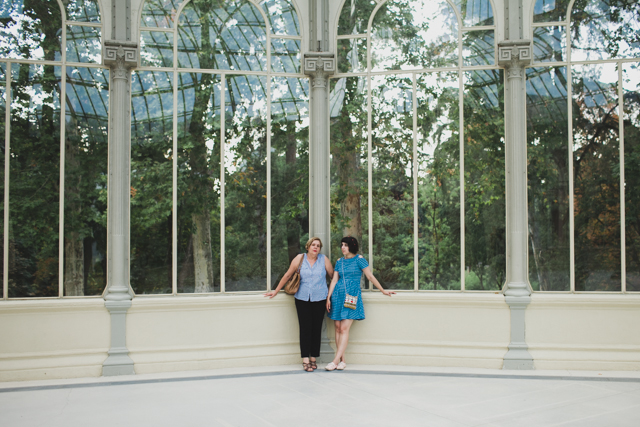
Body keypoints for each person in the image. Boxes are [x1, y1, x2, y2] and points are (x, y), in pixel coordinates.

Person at [325, 236, 395, 371]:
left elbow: (370, 276)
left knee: (344, 328)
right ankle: (342, 361)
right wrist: (328, 297)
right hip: (338, 295)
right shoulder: (339, 262)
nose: (343, 247)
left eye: (345, 245)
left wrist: (383, 290)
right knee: (338, 328)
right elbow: (334, 280)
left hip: (352, 295)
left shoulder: (360, 260)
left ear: (352, 246)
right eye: (342, 245)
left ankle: (334, 361)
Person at [264, 237, 334, 371]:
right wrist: (276, 291)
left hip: (320, 298)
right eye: (313, 245)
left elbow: (332, 276)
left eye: (318, 246)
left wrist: (335, 293)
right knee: (305, 328)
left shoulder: (323, 259)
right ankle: (305, 359)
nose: (316, 247)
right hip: (302, 298)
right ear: (308, 247)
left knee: (316, 328)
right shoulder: (299, 258)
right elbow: (287, 275)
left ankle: (314, 357)